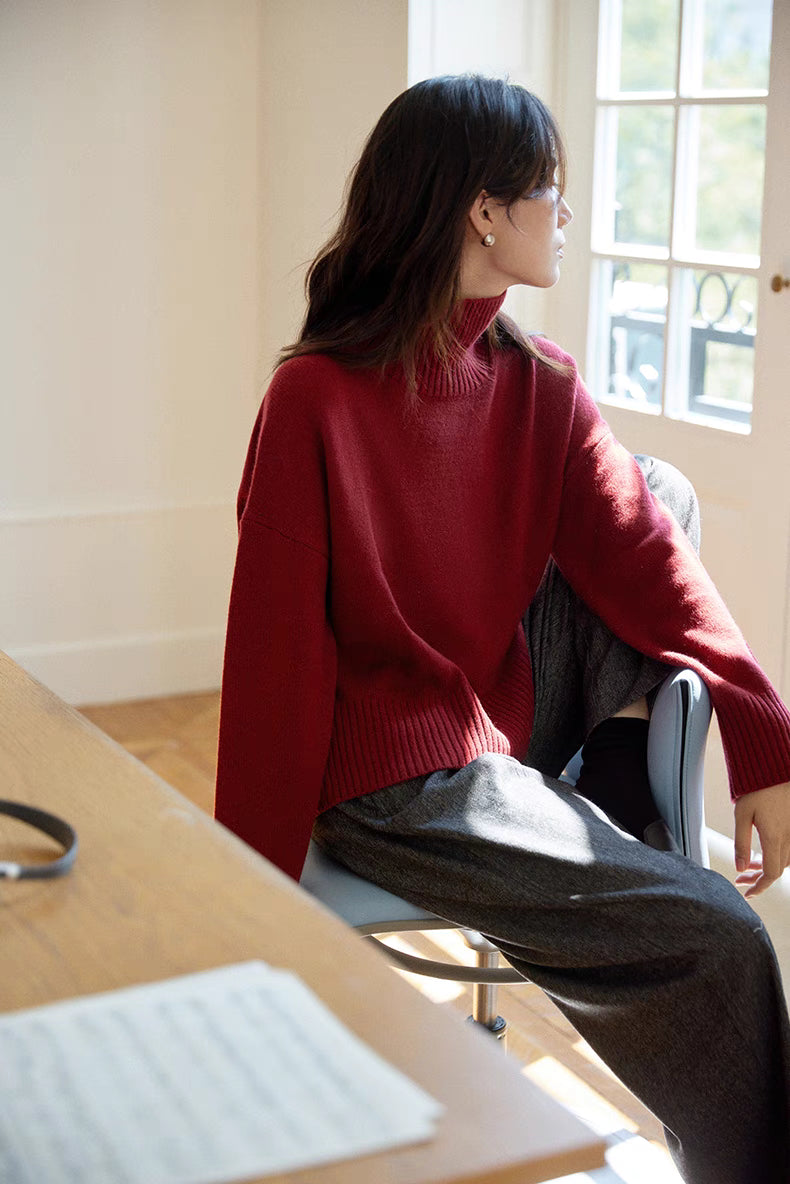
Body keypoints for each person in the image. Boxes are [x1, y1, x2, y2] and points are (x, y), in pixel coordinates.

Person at [215, 75, 790, 1183]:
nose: (565, 218)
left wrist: (760, 725)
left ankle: (619, 782)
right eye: (552, 195)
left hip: (489, 711)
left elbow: (645, 559)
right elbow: (274, 661)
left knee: (651, 492)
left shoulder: (538, 383)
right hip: (397, 772)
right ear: (484, 211)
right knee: (722, 941)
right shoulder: (315, 403)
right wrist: (250, 900)